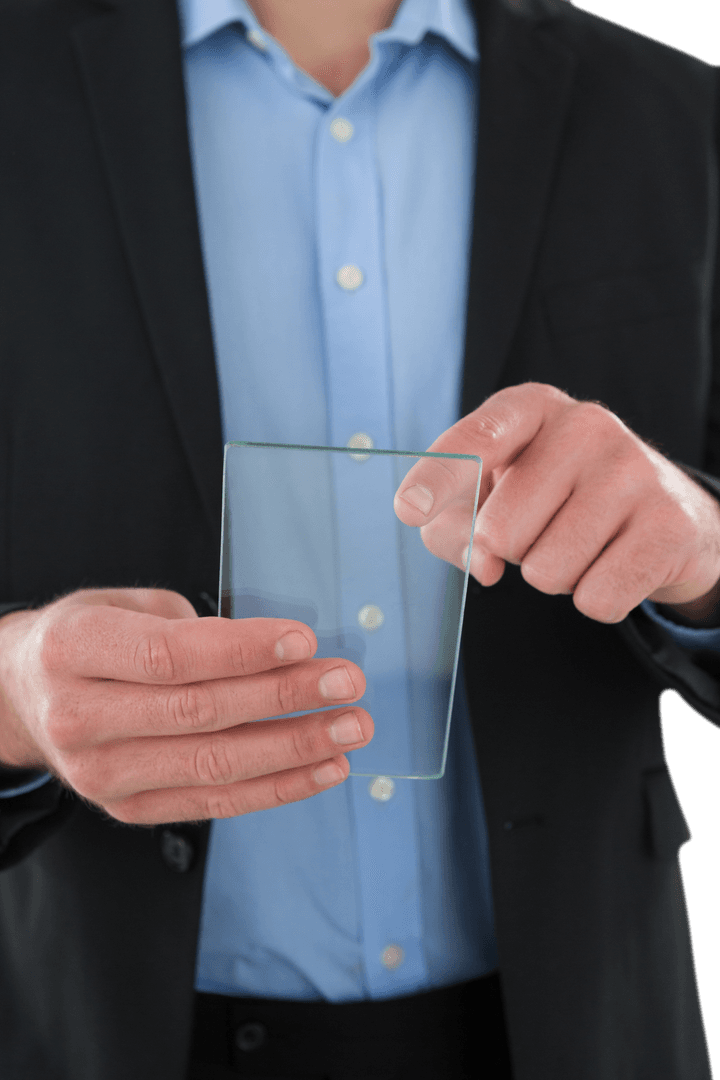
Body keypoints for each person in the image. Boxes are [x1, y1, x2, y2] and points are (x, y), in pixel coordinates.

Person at [0, 0, 718, 1076]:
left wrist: (702, 547)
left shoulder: (675, 110)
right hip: (101, 1019)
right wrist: (11, 697)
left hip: (575, 1021)